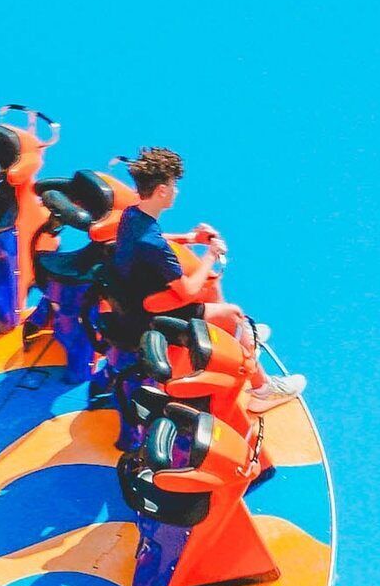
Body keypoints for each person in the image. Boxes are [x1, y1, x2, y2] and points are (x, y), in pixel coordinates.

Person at [95, 149, 304, 410]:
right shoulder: (154, 246)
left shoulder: (132, 216)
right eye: (173, 186)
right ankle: (263, 389)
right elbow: (188, 290)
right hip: (149, 318)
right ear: (161, 191)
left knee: (212, 289)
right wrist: (211, 254)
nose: (176, 191)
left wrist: (190, 238)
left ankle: (235, 338)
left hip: (134, 301)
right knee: (234, 314)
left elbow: (154, 240)